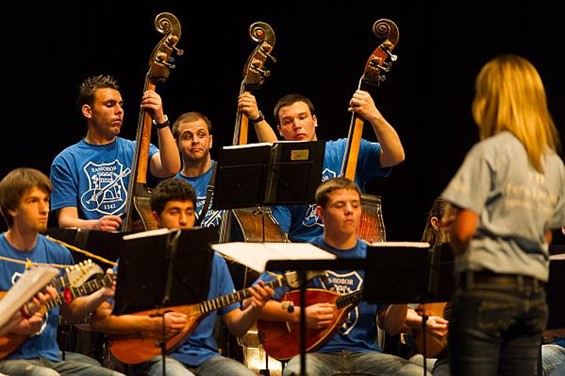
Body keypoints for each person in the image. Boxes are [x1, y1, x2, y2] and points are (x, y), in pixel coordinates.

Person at [440, 54, 565, 375]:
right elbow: (547, 235)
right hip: (532, 297)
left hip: (486, 291)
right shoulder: (553, 164)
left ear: (490, 100)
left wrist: (455, 228)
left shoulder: (488, 152)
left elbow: (464, 232)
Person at [90, 177, 275, 375]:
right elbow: (100, 321)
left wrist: (256, 306)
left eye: (189, 212)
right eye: (174, 212)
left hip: (205, 356)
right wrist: (152, 324)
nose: (184, 220)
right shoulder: (136, 258)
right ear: (155, 216)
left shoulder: (214, 261)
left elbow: (236, 327)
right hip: (151, 357)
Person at [255, 177, 429, 376]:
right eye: (340, 205)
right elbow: (256, 303)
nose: (349, 211)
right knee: (296, 373)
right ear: (321, 213)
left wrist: (402, 296)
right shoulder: (302, 255)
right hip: (314, 355)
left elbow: (390, 327)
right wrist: (299, 314)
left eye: (355, 205)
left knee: (417, 374)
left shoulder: (376, 258)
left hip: (366, 354)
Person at [0, 167, 122, 376]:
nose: (44, 209)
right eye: (33, 201)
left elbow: (71, 310)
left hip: (50, 358)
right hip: (8, 358)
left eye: (46, 200)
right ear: (12, 209)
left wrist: (102, 293)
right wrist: (16, 323)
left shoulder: (58, 253)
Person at [238, 90, 405, 242]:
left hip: (353, 249)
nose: (297, 125)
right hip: (307, 259)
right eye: (288, 121)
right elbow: (281, 237)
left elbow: (396, 156)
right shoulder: (282, 172)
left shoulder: (346, 149)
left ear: (314, 120)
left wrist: (374, 116)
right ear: (280, 130)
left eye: (302, 117)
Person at [50, 74, 181, 232]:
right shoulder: (67, 160)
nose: (119, 111)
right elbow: (66, 220)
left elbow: (171, 168)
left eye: (121, 105)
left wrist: (160, 119)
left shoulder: (135, 149)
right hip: (94, 248)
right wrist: (96, 225)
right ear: (88, 111)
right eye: (110, 104)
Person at [402, 197, 451, 376]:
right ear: (436, 223)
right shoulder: (420, 263)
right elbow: (400, 322)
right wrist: (424, 322)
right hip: (426, 353)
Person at [172, 111, 224, 229]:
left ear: (210, 141)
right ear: (176, 144)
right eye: (187, 137)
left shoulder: (227, 174)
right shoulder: (171, 188)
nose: (195, 141)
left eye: (201, 135)